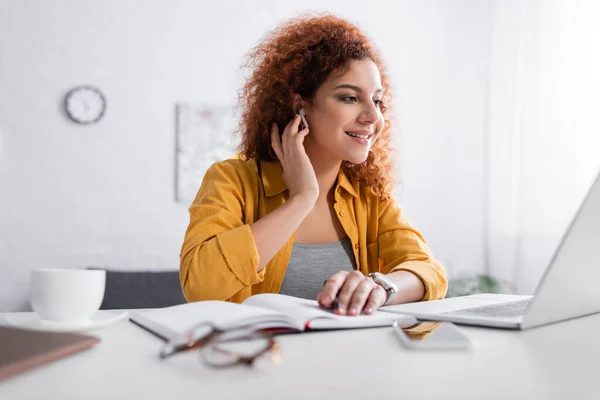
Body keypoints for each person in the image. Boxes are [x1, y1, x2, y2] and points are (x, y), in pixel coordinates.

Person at [179, 13, 447, 316]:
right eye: (349, 97)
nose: (374, 117)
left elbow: (430, 272)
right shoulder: (232, 179)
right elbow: (200, 285)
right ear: (300, 106)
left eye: (378, 101)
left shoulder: (369, 194)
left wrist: (382, 287)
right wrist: (301, 199)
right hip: (254, 359)